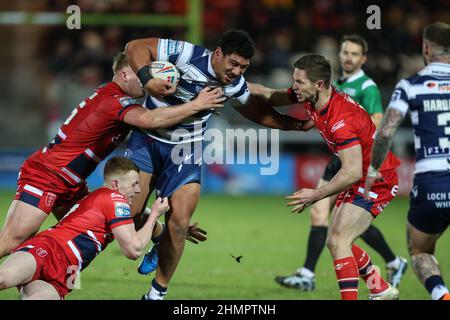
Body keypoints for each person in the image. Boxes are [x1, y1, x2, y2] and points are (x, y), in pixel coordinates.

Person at [124, 29, 305, 300]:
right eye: (233, 64)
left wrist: (294, 125)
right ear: (217, 54)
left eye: (243, 67)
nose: (236, 71)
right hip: (148, 140)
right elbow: (135, 45)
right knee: (129, 214)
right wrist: (148, 79)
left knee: (180, 220)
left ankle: (156, 293)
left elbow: (256, 111)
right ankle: (157, 233)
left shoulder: (234, 83)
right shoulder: (186, 53)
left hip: (186, 150)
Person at [0, 51, 224, 259]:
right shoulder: (113, 100)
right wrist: (197, 104)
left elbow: (120, 213)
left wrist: (173, 228)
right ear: (125, 74)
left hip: (70, 182)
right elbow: (151, 120)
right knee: (12, 241)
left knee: (101, 227)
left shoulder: (114, 98)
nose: (147, 82)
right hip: (48, 175)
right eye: (142, 75)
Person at [275, 35, 407, 292]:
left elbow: (361, 156)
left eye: (299, 82)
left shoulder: (351, 106)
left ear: (320, 83)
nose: (294, 86)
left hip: (372, 176)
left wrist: (315, 193)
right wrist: (242, 93)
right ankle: (381, 289)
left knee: (338, 240)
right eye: (344, 52)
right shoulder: (318, 95)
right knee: (337, 239)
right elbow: (273, 96)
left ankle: (385, 277)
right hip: (353, 166)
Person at [0, 157, 169, 300]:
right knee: (3, 278)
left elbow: (138, 214)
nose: (138, 190)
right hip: (51, 249)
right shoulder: (114, 198)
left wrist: (174, 227)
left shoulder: (103, 198)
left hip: (68, 272)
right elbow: (133, 250)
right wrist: (155, 214)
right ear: (116, 184)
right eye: (134, 184)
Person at [364, 22, 450, 301]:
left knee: (421, 251)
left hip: (432, 181)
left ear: (426, 48)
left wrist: (373, 169)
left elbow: (386, 132)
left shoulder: (411, 85)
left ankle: (441, 294)